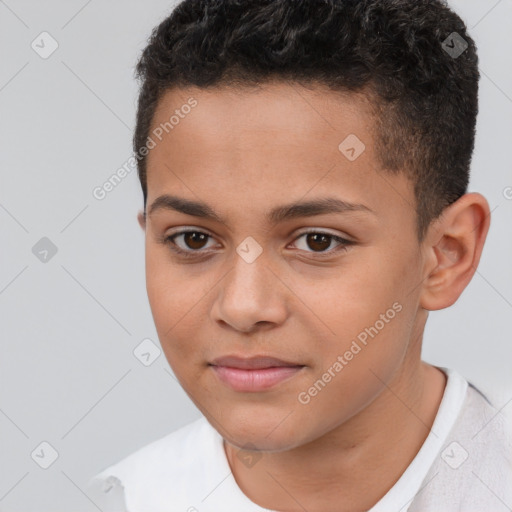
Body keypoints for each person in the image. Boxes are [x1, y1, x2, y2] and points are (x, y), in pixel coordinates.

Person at [87, 0, 512, 510]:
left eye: (317, 241)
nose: (243, 308)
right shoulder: (128, 499)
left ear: (447, 254)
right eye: (193, 239)